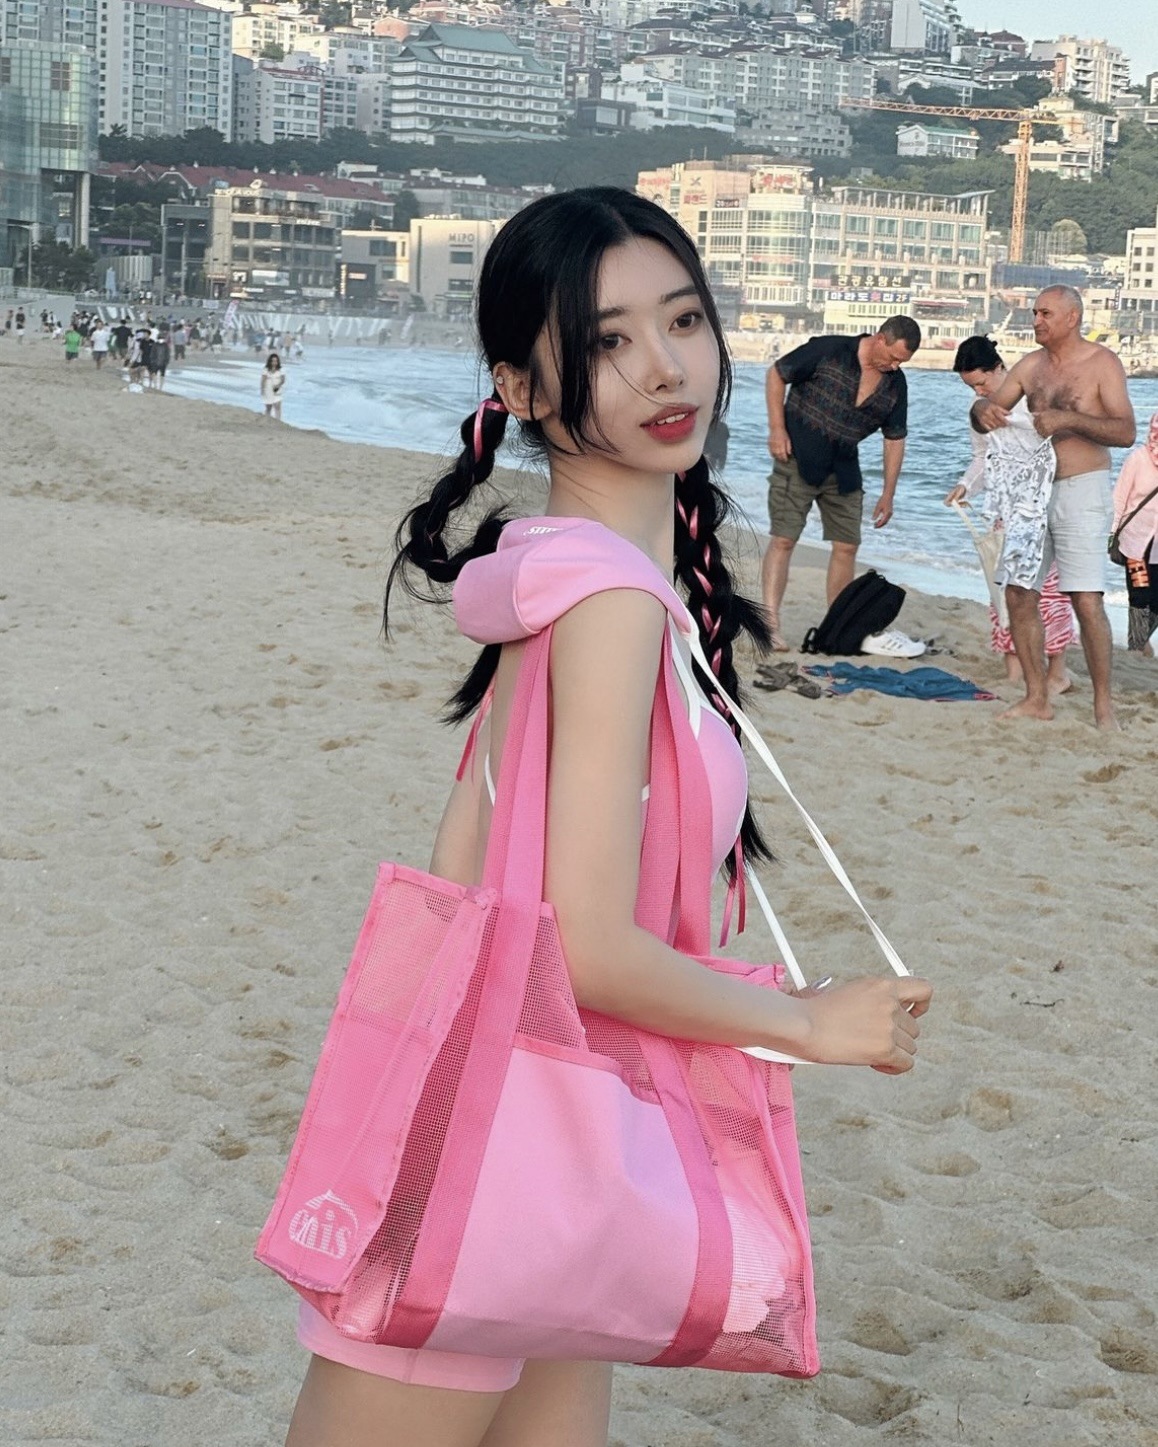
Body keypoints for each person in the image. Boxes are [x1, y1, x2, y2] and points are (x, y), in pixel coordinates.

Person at [280, 187, 932, 1447]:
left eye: (682, 321)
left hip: (538, 1129)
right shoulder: (609, 606)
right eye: (606, 341)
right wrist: (809, 1024)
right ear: (521, 386)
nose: (663, 369)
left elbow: (471, 875)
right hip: (513, 1143)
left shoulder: (558, 576)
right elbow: (583, 944)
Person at [971, 286, 1136, 728]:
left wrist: (1068, 420)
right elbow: (989, 411)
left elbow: (1125, 432)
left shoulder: (1102, 363)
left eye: (1045, 313)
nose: (1036, 320)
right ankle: (1036, 697)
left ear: (1072, 317)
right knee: (1018, 591)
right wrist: (981, 410)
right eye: (1035, 313)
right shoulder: (1030, 366)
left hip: (1083, 487)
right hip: (1030, 493)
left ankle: (1103, 706)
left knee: (1086, 598)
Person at [761, 316, 921, 651]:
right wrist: (777, 428)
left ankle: (836, 629)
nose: (895, 366)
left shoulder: (895, 384)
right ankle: (771, 625)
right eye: (893, 358)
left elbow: (895, 439)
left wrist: (889, 493)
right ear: (880, 338)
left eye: (902, 362)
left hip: (844, 467)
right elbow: (777, 374)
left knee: (847, 546)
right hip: (796, 458)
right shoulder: (829, 350)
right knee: (784, 540)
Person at [944, 336, 1074, 694]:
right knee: (1003, 590)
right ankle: (1014, 671)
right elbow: (982, 459)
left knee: (1050, 593)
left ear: (999, 368)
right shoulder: (980, 409)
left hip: (1045, 506)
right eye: (971, 387)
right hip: (1006, 508)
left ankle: (1057, 672)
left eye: (982, 383)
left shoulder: (1033, 395)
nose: (979, 392)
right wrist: (964, 487)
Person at [1112, 409, 1158, 656]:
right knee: (1139, 594)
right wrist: (1111, 533)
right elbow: (1119, 498)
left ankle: (1141, 641)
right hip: (1136, 544)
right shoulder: (1137, 459)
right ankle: (1136, 648)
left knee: (1157, 599)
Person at [261, 352, 286, 419]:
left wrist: (278, 385)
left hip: (277, 389)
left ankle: (278, 420)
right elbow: (263, 380)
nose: (274, 363)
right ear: (270, 361)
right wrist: (262, 390)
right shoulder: (266, 369)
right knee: (268, 407)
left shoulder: (281, 369)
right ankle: (267, 419)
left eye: (276, 361)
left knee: (277, 406)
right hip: (268, 389)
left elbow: (283, 380)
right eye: (273, 361)